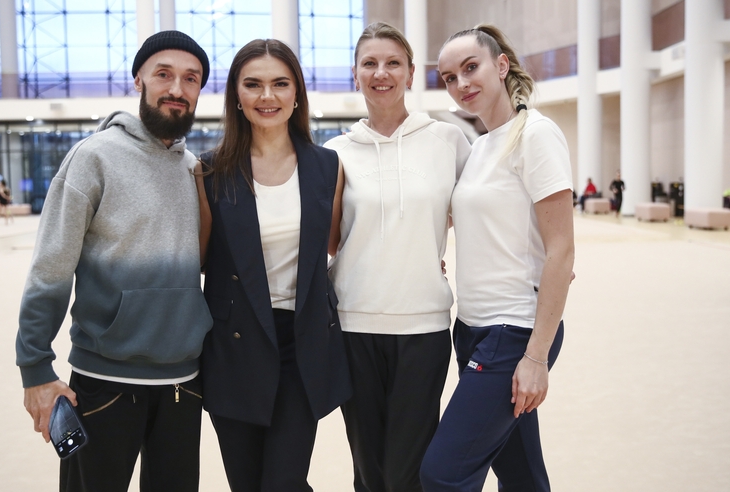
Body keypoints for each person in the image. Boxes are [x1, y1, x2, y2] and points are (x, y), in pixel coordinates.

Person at [15, 30, 213, 492]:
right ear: (138, 80)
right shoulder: (94, 158)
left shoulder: (193, 171)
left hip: (184, 381)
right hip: (104, 382)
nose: (177, 89)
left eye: (191, 78)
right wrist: (36, 369)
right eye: (163, 74)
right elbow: (51, 268)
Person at [421, 25, 574, 491]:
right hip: (469, 328)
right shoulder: (479, 145)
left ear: (501, 65)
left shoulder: (537, 135)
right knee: (521, 474)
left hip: (514, 334)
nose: (461, 83)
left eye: (471, 68)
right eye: (449, 77)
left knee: (443, 475)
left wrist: (536, 357)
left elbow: (562, 250)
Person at [195, 39, 351, 492]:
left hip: (302, 348)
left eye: (280, 83)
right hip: (235, 345)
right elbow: (203, 261)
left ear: (297, 92)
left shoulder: (327, 166)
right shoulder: (211, 171)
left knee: (283, 480)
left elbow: (337, 245)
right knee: (247, 483)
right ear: (237, 97)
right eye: (254, 85)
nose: (268, 96)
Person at [324, 22, 471, 492]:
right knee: (369, 469)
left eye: (393, 63)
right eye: (369, 63)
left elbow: (479, 210)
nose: (380, 72)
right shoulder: (335, 154)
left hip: (423, 326)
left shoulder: (448, 141)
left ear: (411, 73)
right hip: (353, 325)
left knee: (410, 470)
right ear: (355, 74)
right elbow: (330, 241)